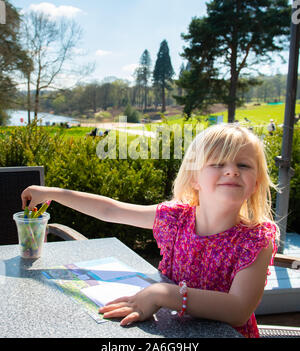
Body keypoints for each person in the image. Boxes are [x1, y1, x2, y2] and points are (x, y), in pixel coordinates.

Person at [21, 123, 279, 338]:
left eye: (243, 165)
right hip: (170, 329)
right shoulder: (176, 219)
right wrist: (52, 193)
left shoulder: (256, 239)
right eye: (218, 163)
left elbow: (238, 309)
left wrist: (162, 294)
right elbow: (111, 211)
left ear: (256, 183)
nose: (232, 170)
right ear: (194, 179)